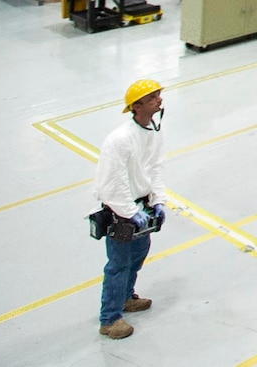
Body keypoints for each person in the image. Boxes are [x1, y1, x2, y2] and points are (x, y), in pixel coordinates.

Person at [93, 79, 167, 339]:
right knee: (118, 264)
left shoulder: (153, 133)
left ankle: (126, 298)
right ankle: (109, 319)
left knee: (137, 256)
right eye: (153, 97)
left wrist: (158, 200)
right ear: (137, 106)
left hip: (141, 208)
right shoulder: (120, 140)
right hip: (122, 211)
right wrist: (128, 211)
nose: (159, 100)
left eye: (158, 95)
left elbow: (155, 168)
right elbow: (113, 181)